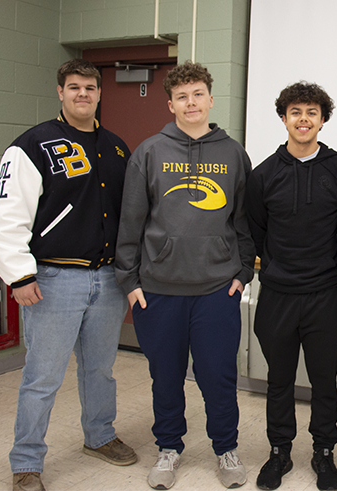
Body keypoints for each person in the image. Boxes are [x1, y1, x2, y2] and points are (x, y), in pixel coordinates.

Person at [0, 59, 137, 491]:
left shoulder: (116, 148)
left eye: (90, 87)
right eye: (74, 87)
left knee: (101, 370)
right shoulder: (32, 145)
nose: (83, 94)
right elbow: (4, 217)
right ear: (60, 92)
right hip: (53, 280)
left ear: (100, 93)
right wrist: (19, 276)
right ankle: (26, 462)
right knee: (43, 377)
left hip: (107, 280)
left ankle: (100, 436)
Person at [114, 61, 255, 490]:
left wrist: (243, 271)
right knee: (166, 377)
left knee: (218, 376)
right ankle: (169, 448)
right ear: (170, 103)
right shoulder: (150, 152)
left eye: (198, 95)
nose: (190, 103)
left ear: (211, 100)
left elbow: (245, 221)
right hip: (158, 291)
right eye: (182, 96)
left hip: (216, 289)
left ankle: (225, 449)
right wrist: (131, 282)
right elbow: (130, 221)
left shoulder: (233, 153)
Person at [245, 81, 337, 491]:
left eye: (312, 112)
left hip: (326, 295)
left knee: (325, 381)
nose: (304, 119)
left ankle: (324, 451)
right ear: (283, 118)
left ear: (322, 120)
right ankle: (279, 451)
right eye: (296, 112)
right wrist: (275, 267)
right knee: (279, 379)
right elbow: (256, 230)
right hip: (278, 295)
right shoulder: (264, 174)